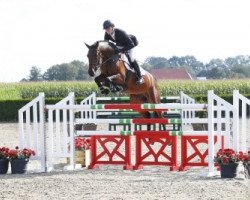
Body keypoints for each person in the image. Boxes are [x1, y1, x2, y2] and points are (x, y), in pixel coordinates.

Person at [103, 20, 144, 85]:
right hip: (120, 45)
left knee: (132, 58)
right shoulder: (107, 34)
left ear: (112, 27)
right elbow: (105, 44)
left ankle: (140, 77)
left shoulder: (120, 32)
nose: (107, 30)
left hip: (130, 45)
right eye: (105, 29)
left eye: (108, 28)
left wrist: (123, 50)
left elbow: (131, 44)